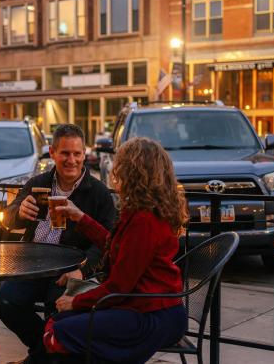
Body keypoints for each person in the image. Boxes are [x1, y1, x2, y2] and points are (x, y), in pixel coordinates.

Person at [44, 137, 189, 363]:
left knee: (61, 331)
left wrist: (76, 301)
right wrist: (81, 218)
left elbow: (119, 285)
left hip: (152, 315)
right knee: (63, 323)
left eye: (118, 164)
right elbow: (116, 249)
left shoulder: (144, 220)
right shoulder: (142, 211)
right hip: (144, 305)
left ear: (132, 171)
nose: (113, 168)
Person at [0, 123, 116, 364]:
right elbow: (7, 218)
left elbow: (107, 241)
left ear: (84, 154)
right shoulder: (38, 183)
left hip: (67, 269)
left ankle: (42, 358)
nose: (72, 160)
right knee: (3, 302)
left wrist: (82, 270)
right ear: (52, 153)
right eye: (65, 153)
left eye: (77, 153)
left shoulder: (98, 193)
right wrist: (18, 212)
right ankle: (45, 355)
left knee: (58, 308)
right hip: (32, 264)